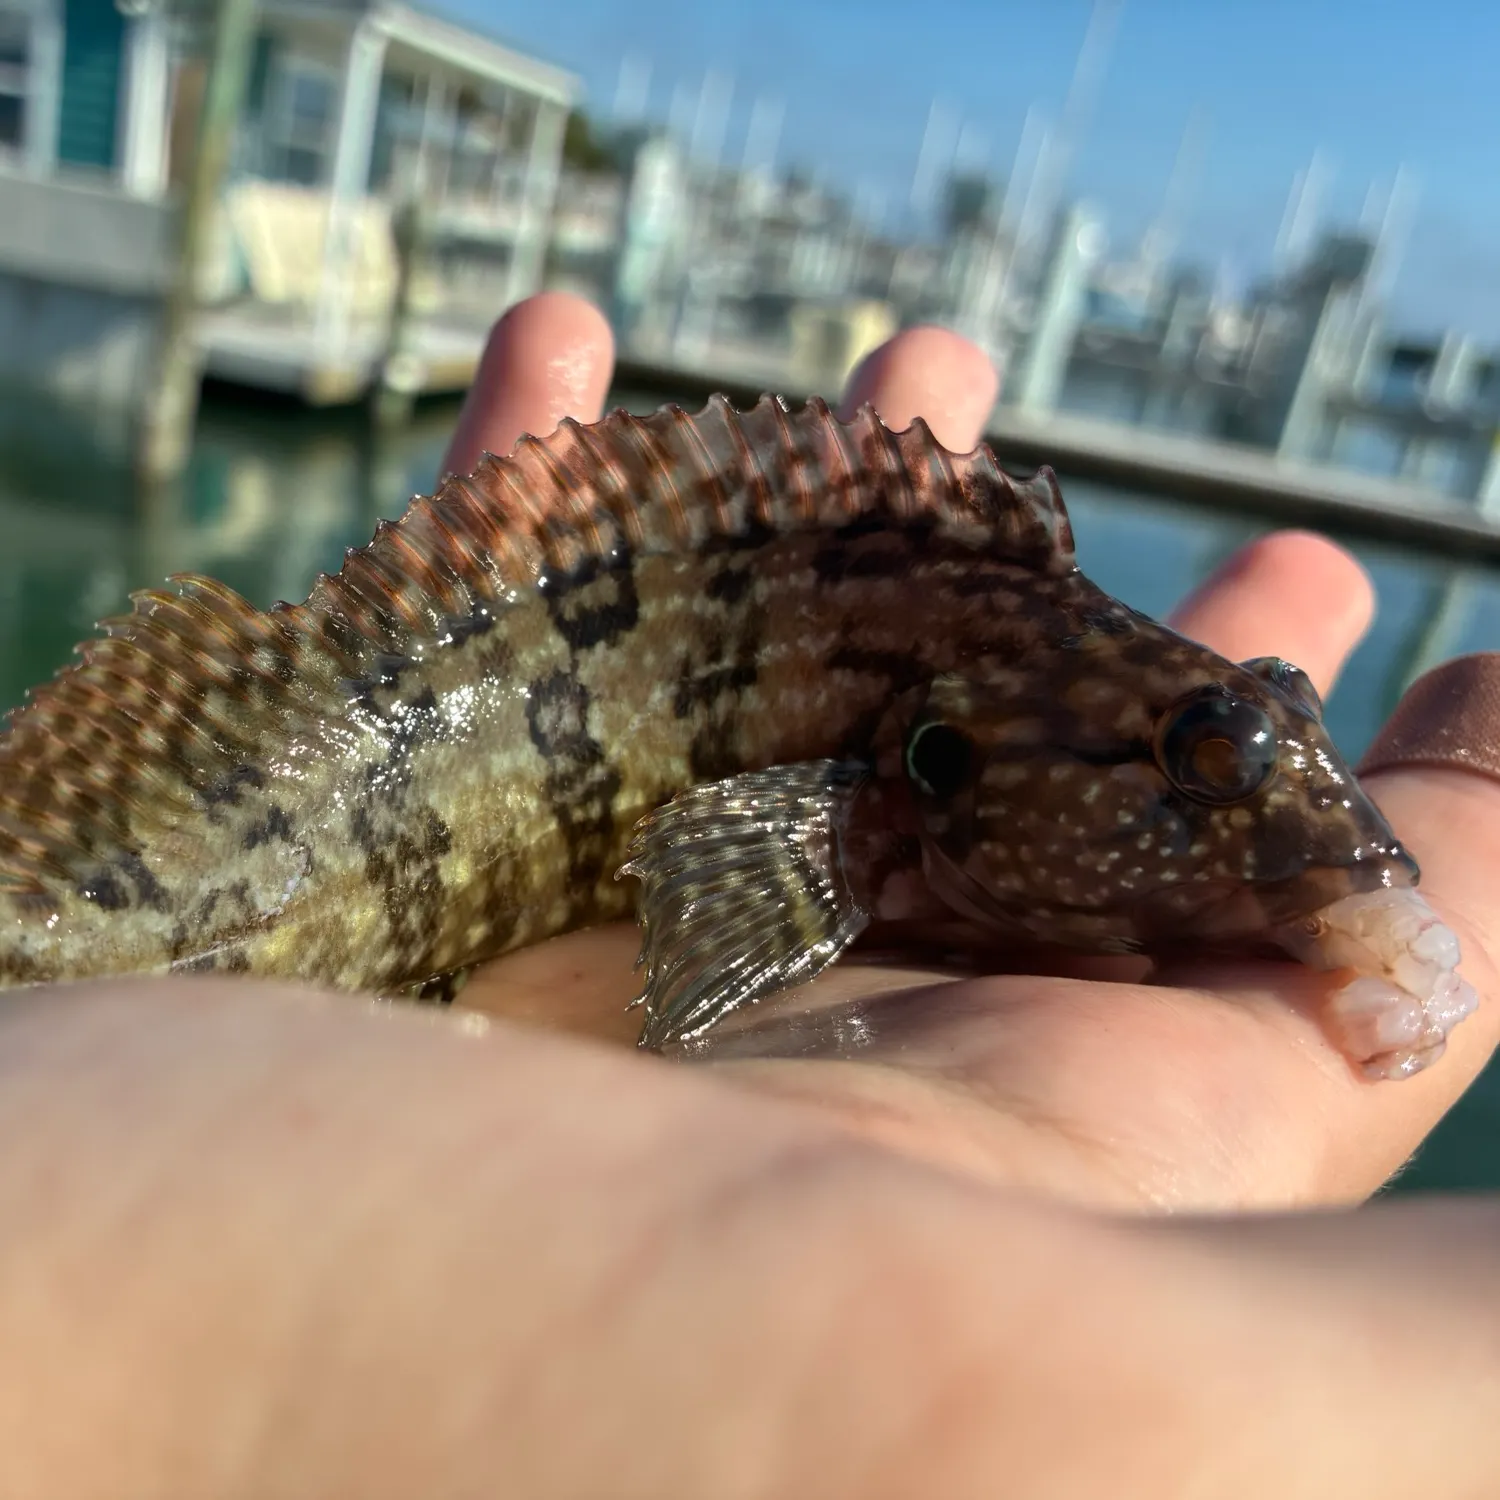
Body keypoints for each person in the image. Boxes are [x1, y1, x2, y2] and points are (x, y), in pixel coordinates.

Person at [0, 292, 1497, 1496]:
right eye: (1201, 763)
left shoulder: (986, 689)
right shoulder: (881, 796)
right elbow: (726, 895)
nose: (1266, 821)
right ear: (946, 761)